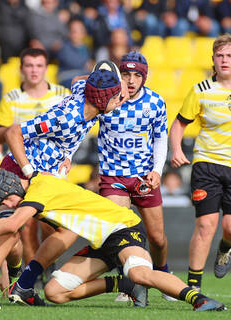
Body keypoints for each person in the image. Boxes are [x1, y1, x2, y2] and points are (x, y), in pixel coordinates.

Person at [0, 68, 127, 309]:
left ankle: (23, 285)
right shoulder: (66, 118)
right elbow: (13, 132)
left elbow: (76, 80)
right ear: (102, 99)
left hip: (45, 181)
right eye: (116, 97)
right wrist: (29, 170)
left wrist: (66, 155)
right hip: (23, 171)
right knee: (10, 229)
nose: (120, 101)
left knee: (68, 230)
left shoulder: (86, 93)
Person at [0, 169, 225, 312]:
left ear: (10, 188)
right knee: (55, 293)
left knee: (139, 272)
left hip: (122, 227)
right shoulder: (39, 193)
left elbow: (11, 225)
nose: (7, 205)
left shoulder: (40, 190)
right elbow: (58, 237)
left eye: (5, 200)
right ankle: (122, 284)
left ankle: (199, 299)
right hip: (101, 242)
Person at [97, 52, 173, 301]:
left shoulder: (155, 103)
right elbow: (83, 122)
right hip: (113, 177)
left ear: (144, 77)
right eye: (126, 74)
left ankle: (161, 274)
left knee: (157, 238)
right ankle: (129, 282)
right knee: (122, 232)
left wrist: (157, 171)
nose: (130, 80)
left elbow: (161, 138)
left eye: (136, 75)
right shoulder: (105, 98)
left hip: (143, 178)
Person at [0, 47, 70, 276]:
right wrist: (21, 129)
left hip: (51, 168)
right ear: (21, 69)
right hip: (20, 169)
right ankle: (31, 274)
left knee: (49, 224)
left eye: (38, 66)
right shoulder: (12, 99)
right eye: (29, 65)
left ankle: (46, 265)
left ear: (46, 69)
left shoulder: (62, 95)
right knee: (25, 226)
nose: (34, 70)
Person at [169, 33, 231, 291]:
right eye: (220, 56)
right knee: (206, 224)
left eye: (229, 56)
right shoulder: (200, 90)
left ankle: (225, 248)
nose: (225, 60)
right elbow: (179, 124)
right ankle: (193, 288)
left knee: (229, 228)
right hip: (206, 163)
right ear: (213, 60)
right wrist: (175, 149)